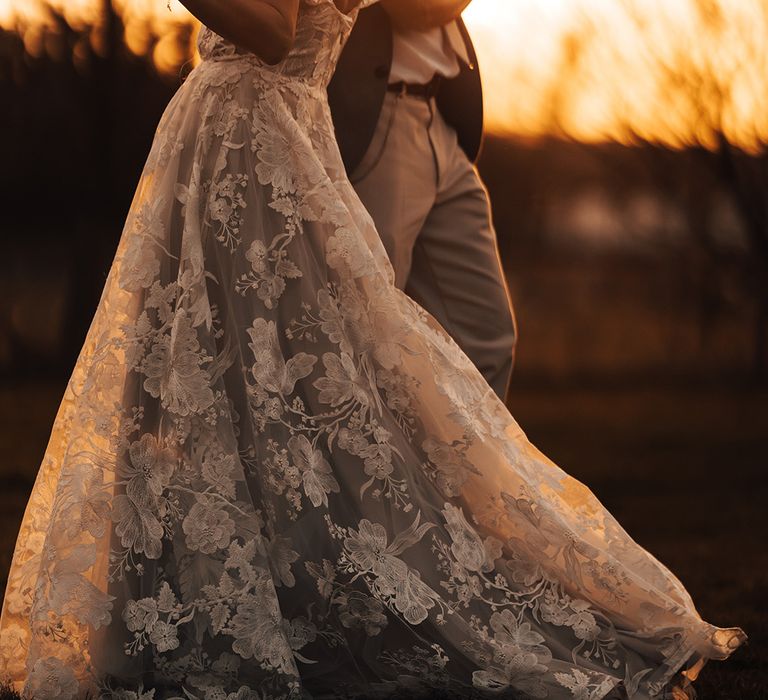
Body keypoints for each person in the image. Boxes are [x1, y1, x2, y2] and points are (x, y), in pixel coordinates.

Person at [0, 1, 744, 698]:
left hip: (260, 130)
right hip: (256, 130)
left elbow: (273, 28)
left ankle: (364, 580)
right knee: (196, 372)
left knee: (293, 375)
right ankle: (200, 596)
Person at [328, 1, 517, 401]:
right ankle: (364, 462)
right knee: (370, 332)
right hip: (382, 123)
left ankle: (465, 464)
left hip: (442, 114)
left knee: (488, 336)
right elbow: (408, 8)